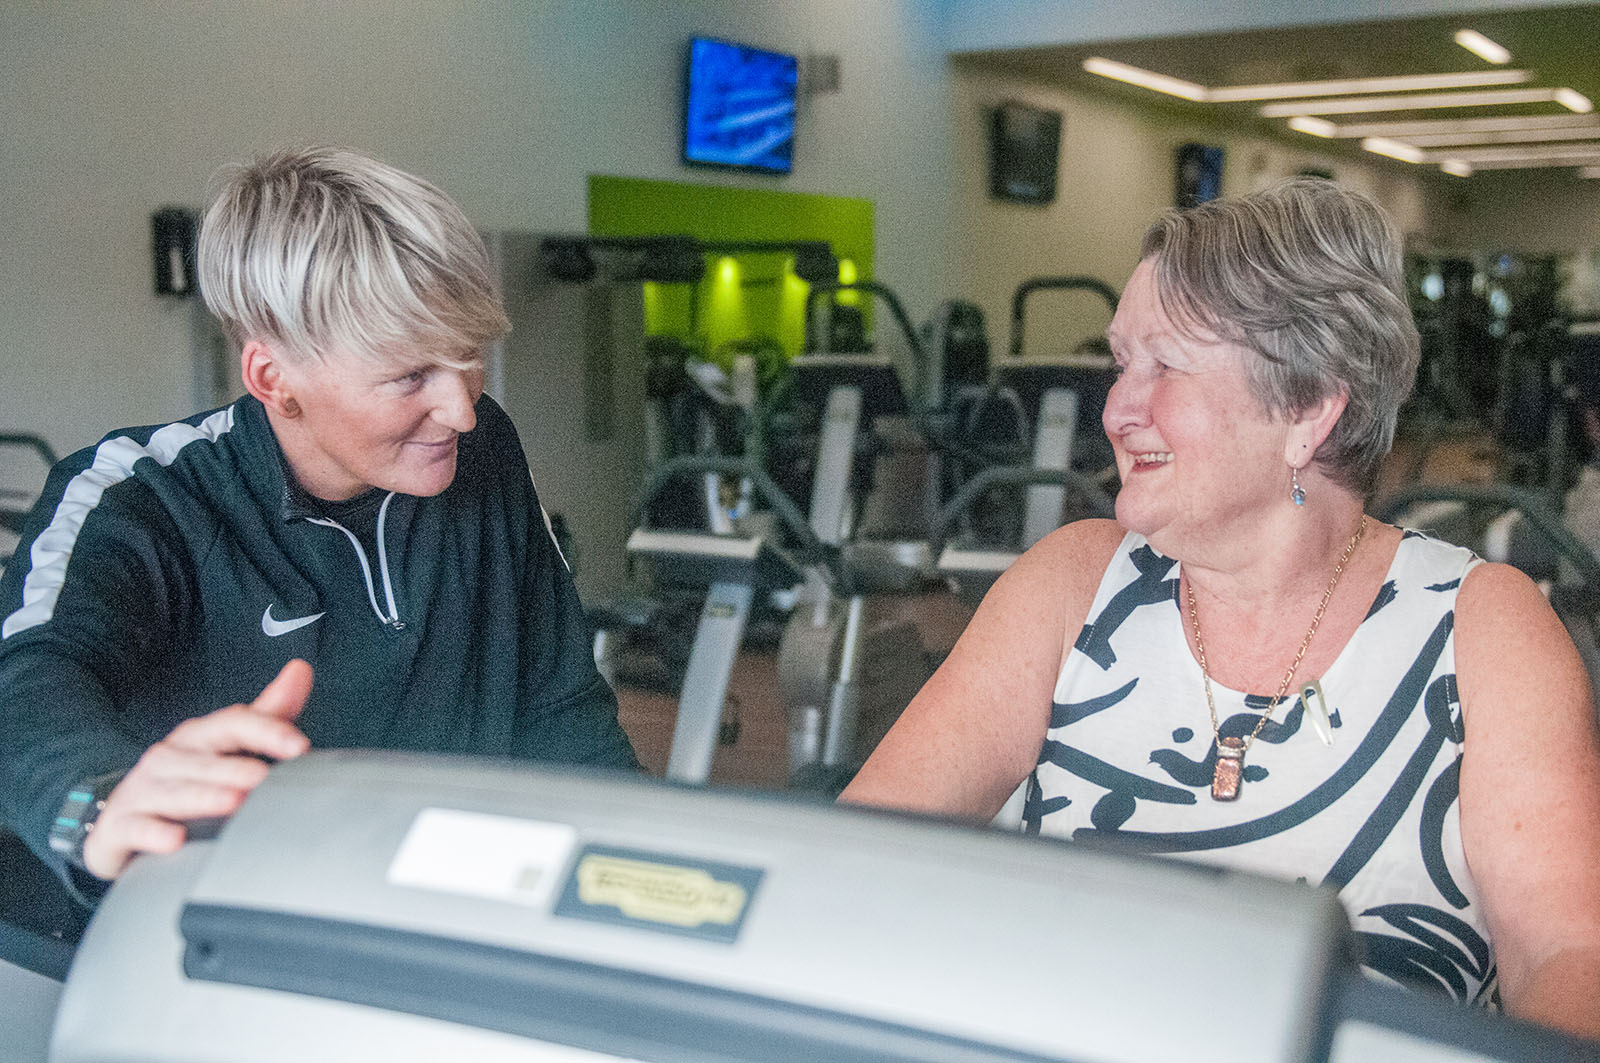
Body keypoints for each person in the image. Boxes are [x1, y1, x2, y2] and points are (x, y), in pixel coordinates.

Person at [842, 179, 1600, 1040]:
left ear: (1309, 409)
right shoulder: (1070, 585)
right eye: (1123, 361)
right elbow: (852, 859)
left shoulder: (1482, 628)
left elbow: (1569, 959)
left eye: (1166, 365)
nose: (1119, 408)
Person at [0, 147, 637, 909]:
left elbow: (559, 705)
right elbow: (26, 681)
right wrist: (95, 801)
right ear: (274, 378)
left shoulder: (483, 449)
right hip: (237, 929)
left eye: (468, 359)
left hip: (450, 908)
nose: (461, 409)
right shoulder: (140, 495)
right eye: (409, 377)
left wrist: (634, 872)